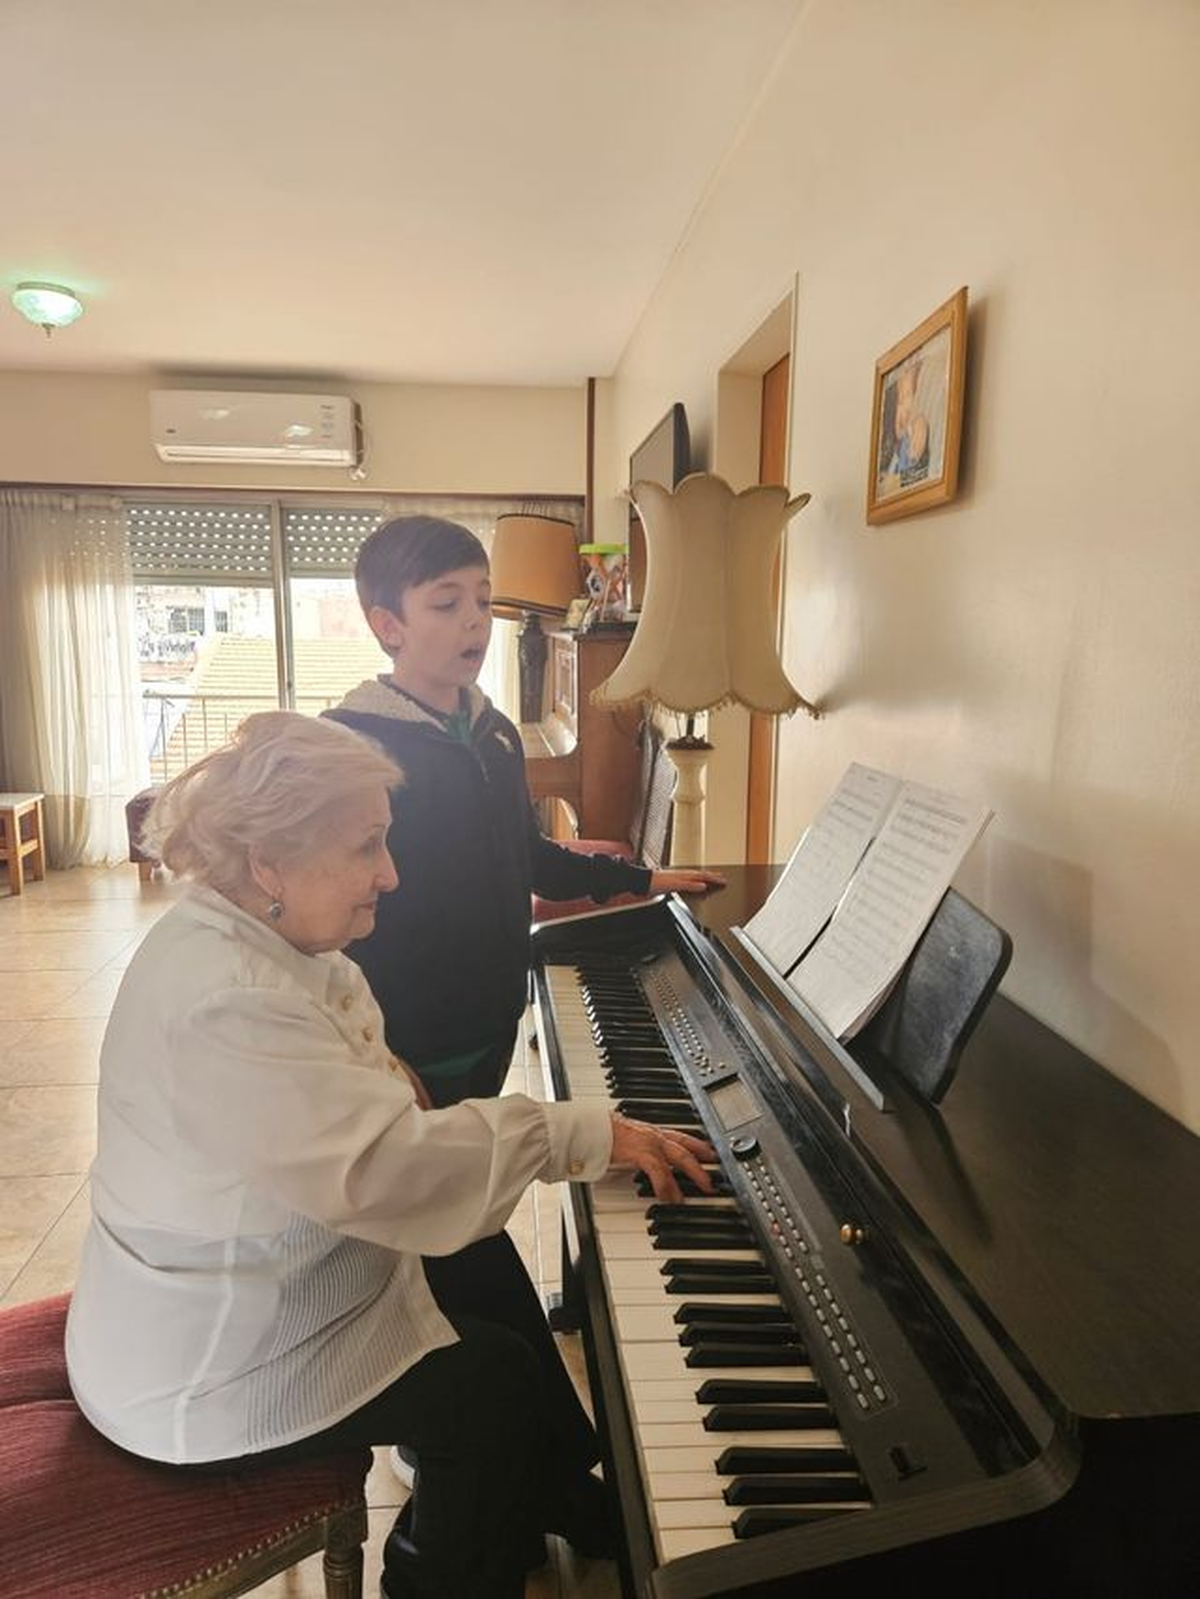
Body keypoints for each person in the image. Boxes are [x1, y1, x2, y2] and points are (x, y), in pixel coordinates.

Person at [65, 712, 714, 1599]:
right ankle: (437, 1571)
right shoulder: (227, 1001)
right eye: (367, 845)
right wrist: (576, 1131)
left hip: (223, 1275)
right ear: (269, 863)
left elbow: (356, 1083)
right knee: (488, 1385)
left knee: (475, 1251)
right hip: (203, 1367)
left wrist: (392, 1077)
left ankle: (555, 1493)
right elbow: (389, 1165)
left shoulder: (258, 934)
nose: (392, 873)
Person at [324, 513, 724, 1108]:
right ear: (388, 626)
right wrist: (365, 1043)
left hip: (492, 1018)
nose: (474, 620)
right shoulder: (347, 744)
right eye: (445, 603)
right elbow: (324, 909)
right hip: (398, 1036)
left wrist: (643, 878)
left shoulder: (497, 736)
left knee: (475, 1183)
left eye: (483, 601)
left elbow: (529, 856)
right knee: (414, 1192)